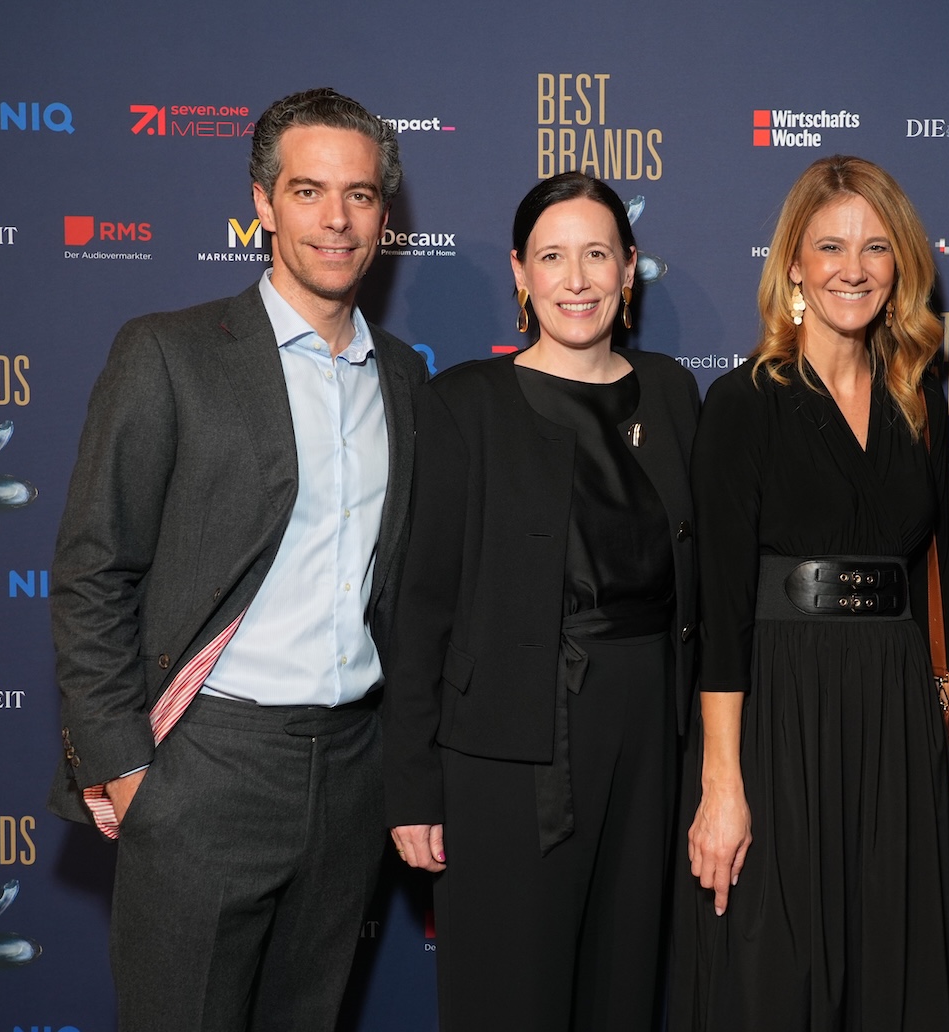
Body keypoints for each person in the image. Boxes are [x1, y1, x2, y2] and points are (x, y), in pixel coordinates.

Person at [47, 87, 425, 1032]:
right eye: (308, 191)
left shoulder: (406, 376)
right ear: (262, 202)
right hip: (205, 770)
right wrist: (128, 773)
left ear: (384, 213)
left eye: (360, 195)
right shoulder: (169, 354)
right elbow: (95, 570)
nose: (336, 219)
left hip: (350, 774)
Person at [382, 172, 700, 1032]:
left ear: (629, 268)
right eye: (553, 257)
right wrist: (412, 786)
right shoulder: (464, 403)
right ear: (521, 274)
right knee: (508, 991)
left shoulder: (672, 392)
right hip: (506, 745)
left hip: (649, 731)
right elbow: (421, 606)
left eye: (597, 254)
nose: (577, 279)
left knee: (622, 985)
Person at [671, 155, 949, 1031]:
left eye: (876, 247)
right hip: (781, 708)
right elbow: (721, 607)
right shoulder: (745, 402)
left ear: (901, 264)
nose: (854, 267)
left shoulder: (919, 398)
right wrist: (722, 783)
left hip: (894, 708)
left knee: (892, 959)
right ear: (795, 265)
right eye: (831, 246)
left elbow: (938, 562)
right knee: (776, 970)